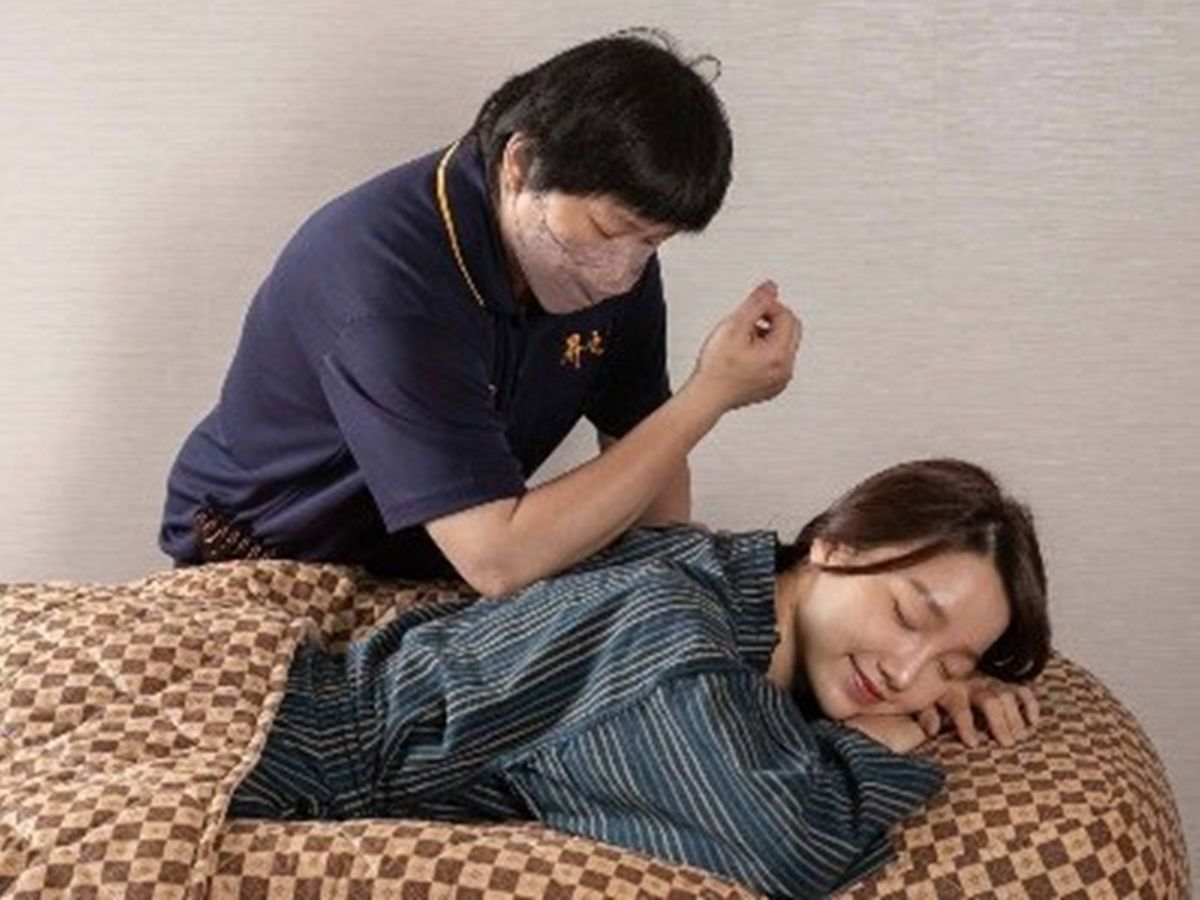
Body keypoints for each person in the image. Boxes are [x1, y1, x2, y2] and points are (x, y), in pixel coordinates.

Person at [229, 458, 1051, 899]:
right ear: (837, 543)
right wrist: (878, 743)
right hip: (274, 765)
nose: (907, 672)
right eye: (908, 614)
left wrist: (954, 680)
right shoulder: (671, 633)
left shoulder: (716, 571)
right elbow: (788, 849)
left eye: (950, 663)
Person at [159, 30, 801, 594]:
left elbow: (645, 461)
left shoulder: (619, 268)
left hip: (430, 568)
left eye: (652, 243)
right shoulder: (384, 279)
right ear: (521, 164)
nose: (621, 273)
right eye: (609, 230)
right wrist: (709, 396)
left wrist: (674, 583)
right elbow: (499, 558)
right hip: (266, 552)